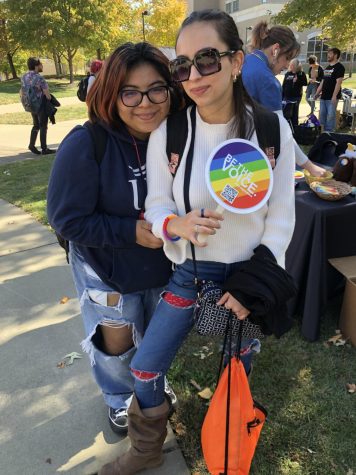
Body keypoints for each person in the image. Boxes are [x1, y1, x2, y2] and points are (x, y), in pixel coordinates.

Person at [98, 10, 296, 475]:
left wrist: (256, 287)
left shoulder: (269, 130)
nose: (193, 75)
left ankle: (228, 450)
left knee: (234, 376)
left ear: (236, 62)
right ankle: (146, 451)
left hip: (246, 278)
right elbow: (157, 207)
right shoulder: (172, 132)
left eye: (206, 59)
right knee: (145, 370)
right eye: (182, 66)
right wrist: (176, 226)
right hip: (190, 273)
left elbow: (282, 217)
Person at [47, 42, 183, 436]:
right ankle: (119, 398)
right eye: (130, 92)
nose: (146, 103)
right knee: (116, 342)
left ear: (170, 91)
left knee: (157, 337)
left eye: (157, 89)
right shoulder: (87, 143)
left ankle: (151, 383)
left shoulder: (178, 138)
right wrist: (129, 232)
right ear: (111, 93)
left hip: (164, 267)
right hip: (105, 270)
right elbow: (67, 219)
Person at [242, 22, 326, 177]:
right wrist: (310, 166)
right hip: (249, 158)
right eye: (287, 58)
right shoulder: (267, 80)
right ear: (275, 50)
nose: (287, 65)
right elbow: (281, 132)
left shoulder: (244, 61)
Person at [20, 57, 55, 155]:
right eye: (41, 64)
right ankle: (44, 149)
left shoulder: (24, 77)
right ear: (36, 66)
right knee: (43, 125)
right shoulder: (39, 78)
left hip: (30, 104)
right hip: (40, 105)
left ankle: (32, 145)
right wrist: (50, 100)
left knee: (36, 125)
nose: (42, 66)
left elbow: (21, 91)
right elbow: (47, 94)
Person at [315, 47, 345, 132]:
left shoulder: (340, 67)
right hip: (324, 96)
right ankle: (322, 133)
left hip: (332, 97)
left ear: (335, 55)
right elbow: (322, 82)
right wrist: (317, 93)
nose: (328, 55)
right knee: (322, 115)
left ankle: (329, 133)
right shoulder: (327, 67)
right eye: (328, 53)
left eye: (330, 54)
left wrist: (334, 96)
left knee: (331, 116)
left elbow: (338, 82)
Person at [282, 58, 307, 126]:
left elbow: (305, 83)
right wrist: (282, 95)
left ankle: (295, 127)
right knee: (286, 112)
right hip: (286, 96)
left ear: (295, 65)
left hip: (296, 97)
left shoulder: (301, 74)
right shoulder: (287, 73)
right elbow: (284, 85)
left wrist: (297, 81)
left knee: (294, 113)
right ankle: (287, 126)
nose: (290, 65)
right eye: (291, 64)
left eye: (292, 64)